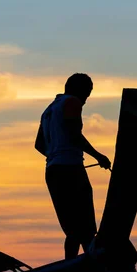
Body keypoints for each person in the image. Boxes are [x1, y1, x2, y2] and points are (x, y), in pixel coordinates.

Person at [35, 73, 111, 259]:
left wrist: (56, 154)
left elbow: (39, 144)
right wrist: (98, 156)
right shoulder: (72, 103)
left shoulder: (49, 110)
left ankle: (71, 267)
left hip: (52, 171)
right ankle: (93, 269)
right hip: (70, 170)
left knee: (72, 229)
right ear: (78, 89)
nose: (87, 98)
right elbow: (74, 134)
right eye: (87, 92)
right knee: (85, 227)